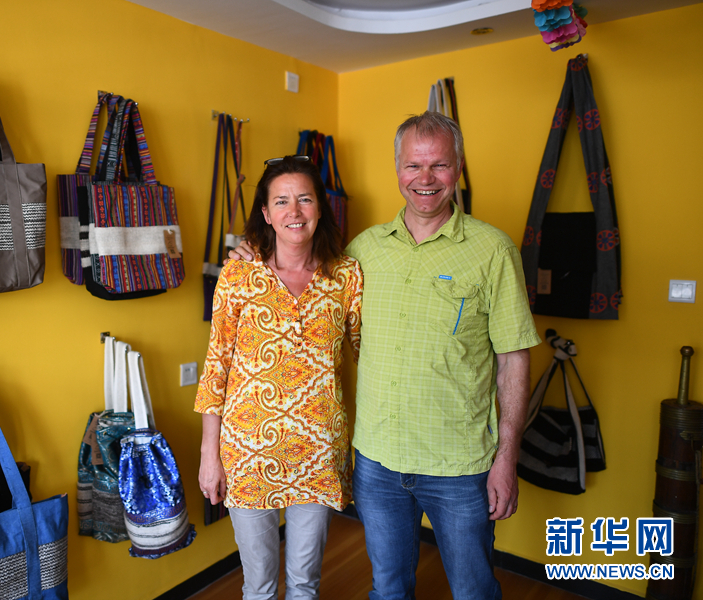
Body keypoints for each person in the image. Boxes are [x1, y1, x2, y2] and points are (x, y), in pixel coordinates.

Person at [230, 112, 541, 600]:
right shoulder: (362, 253)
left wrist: (507, 455)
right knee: (389, 590)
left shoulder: (493, 250)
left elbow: (514, 360)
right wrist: (251, 254)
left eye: (439, 165)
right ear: (397, 169)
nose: (425, 178)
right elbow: (300, 271)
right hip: (377, 463)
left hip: (459, 465)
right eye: (413, 165)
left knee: (474, 591)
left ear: (458, 168)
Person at [195, 156, 363, 600]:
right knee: (260, 586)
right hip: (247, 452)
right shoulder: (238, 274)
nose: (294, 211)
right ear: (266, 214)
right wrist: (209, 455)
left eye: (304, 199)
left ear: (320, 207)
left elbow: (369, 353)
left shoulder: (346, 276)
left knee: (306, 583)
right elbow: (216, 366)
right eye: (282, 201)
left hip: (318, 451)